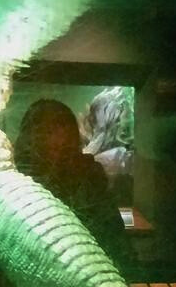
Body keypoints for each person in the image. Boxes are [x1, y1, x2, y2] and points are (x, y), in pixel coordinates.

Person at [14, 99, 133, 269]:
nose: (58, 140)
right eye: (47, 132)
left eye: (62, 131)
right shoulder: (17, 181)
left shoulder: (88, 176)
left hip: (90, 268)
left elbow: (116, 243)